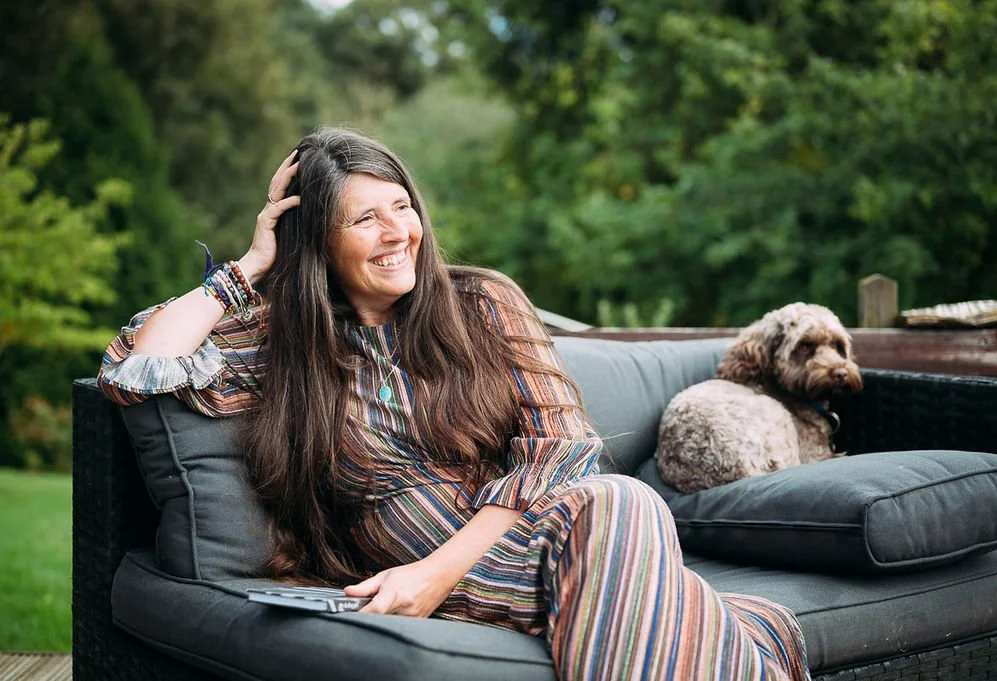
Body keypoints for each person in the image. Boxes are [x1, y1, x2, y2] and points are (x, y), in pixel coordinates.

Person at [98, 127, 811, 681]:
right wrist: (253, 264)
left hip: (544, 544)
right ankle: (744, 640)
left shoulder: (481, 303)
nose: (397, 232)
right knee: (705, 602)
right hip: (452, 571)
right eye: (364, 218)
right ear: (316, 241)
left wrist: (434, 575)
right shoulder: (282, 347)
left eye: (402, 207)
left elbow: (562, 449)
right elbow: (138, 367)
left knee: (622, 500)